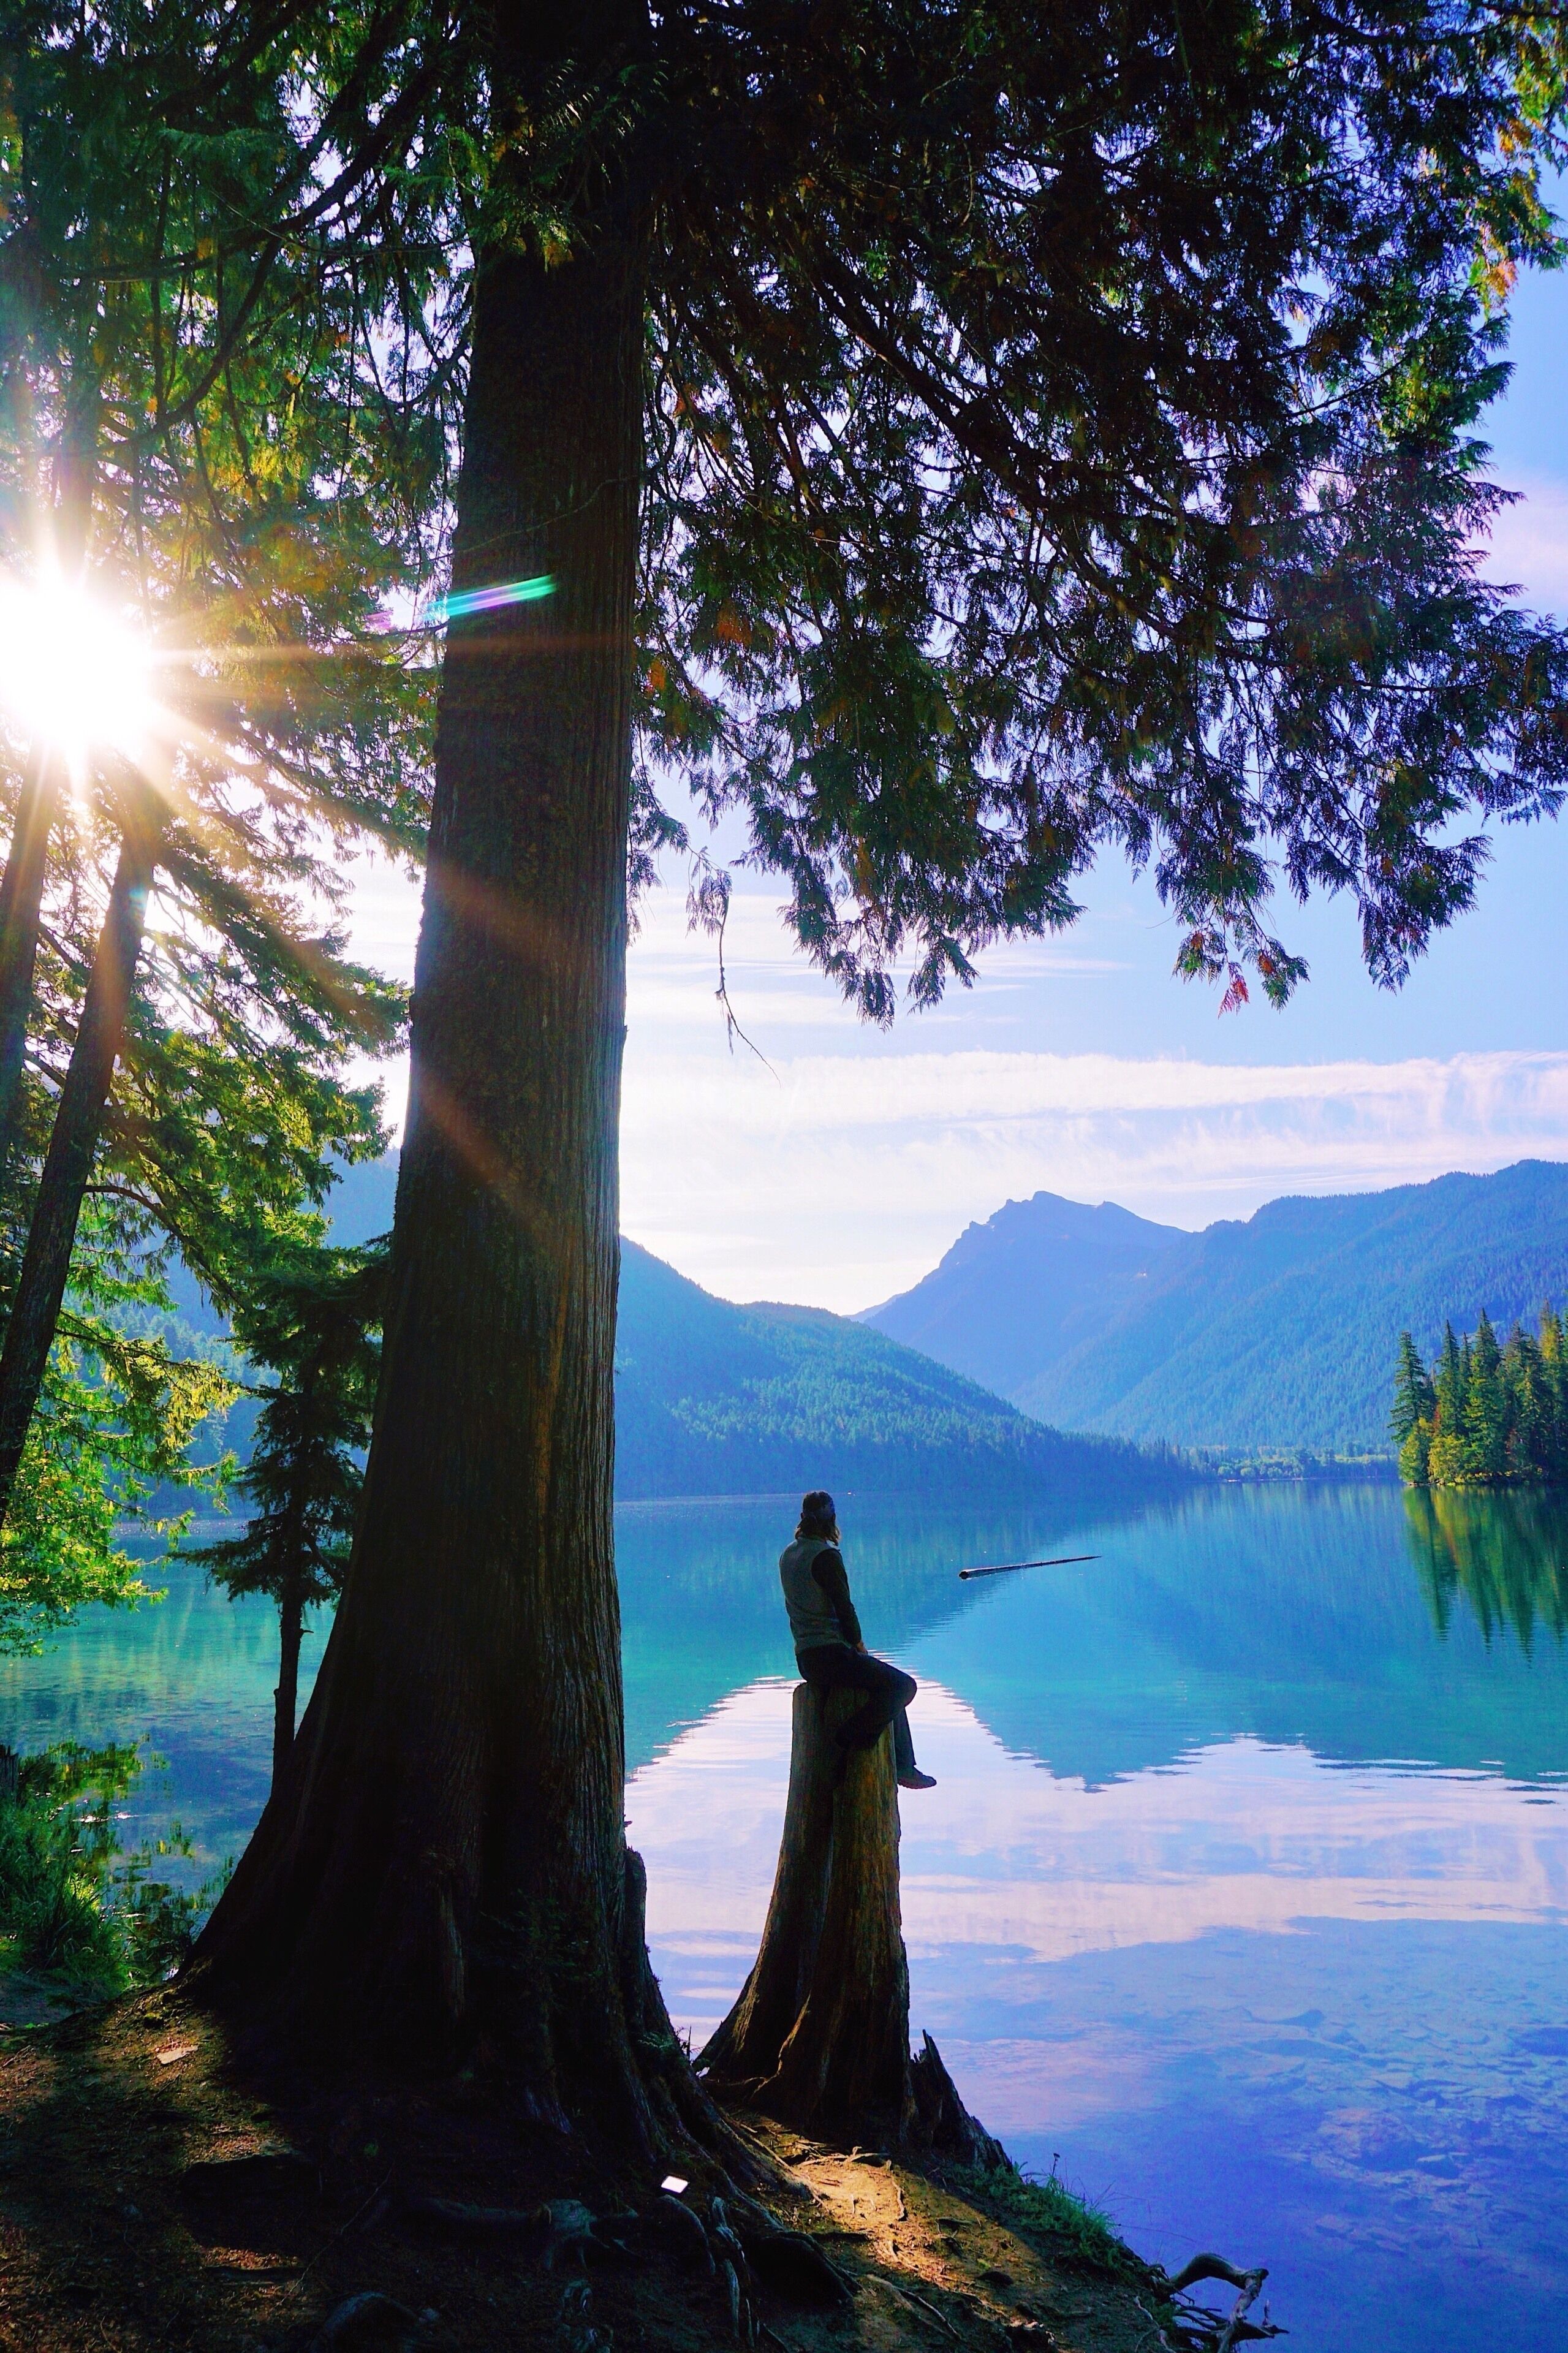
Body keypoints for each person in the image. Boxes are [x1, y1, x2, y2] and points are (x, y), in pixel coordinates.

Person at [779, 1489, 936, 1790]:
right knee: (904, 1686)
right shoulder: (825, 1557)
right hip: (832, 1655)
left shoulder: (789, 1555)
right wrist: (859, 1644)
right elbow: (844, 1608)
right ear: (830, 1521)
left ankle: (905, 1765)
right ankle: (848, 1738)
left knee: (886, 1684)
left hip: (807, 1659)